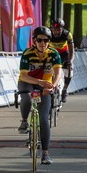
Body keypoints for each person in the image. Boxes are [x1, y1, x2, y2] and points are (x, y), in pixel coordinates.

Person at [16, 26, 61, 165]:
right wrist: (39, 82)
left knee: (43, 118)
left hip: (45, 85)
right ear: (34, 41)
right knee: (26, 97)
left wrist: (53, 85)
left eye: (46, 40)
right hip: (28, 82)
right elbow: (24, 75)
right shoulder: (28, 53)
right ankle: (24, 121)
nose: (43, 43)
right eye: (40, 40)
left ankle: (45, 154)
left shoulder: (53, 54)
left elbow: (58, 73)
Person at [48, 18, 74, 103]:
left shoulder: (67, 34)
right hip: (52, 53)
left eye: (58, 30)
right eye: (54, 29)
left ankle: (64, 90)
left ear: (62, 29)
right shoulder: (48, 34)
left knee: (69, 70)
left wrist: (70, 61)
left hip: (64, 54)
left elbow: (71, 51)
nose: (55, 32)